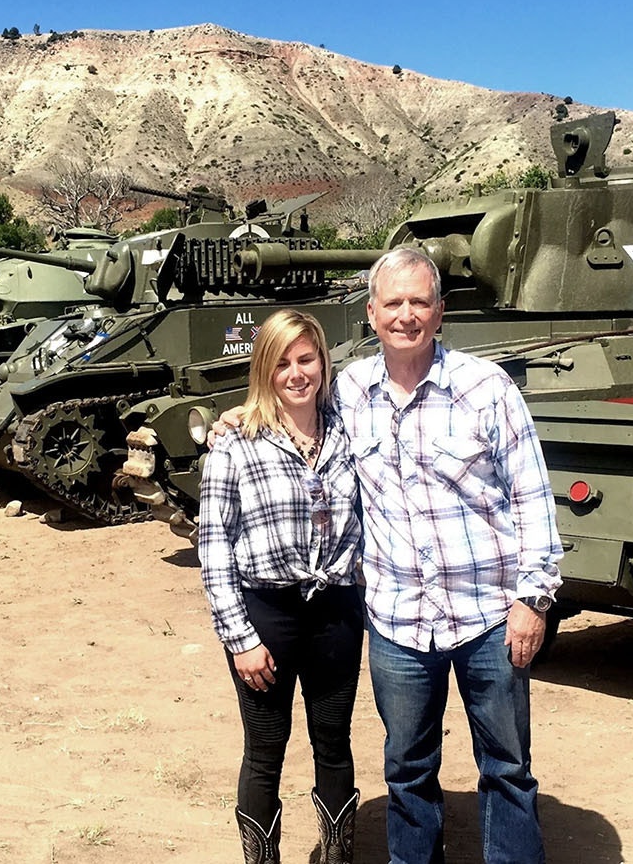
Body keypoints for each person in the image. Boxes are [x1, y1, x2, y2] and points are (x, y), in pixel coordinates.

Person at [215, 248, 564, 863]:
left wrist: (533, 599)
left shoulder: (487, 389)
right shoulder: (351, 392)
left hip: (488, 615)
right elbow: (286, 403)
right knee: (406, 769)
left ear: (440, 311)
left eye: (420, 302)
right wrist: (238, 416)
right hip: (398, 622)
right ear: (371, 313)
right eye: (393, 303)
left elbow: (532, 497)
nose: (407, 315)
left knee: (507, 767)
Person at [199, 309, 366, 864]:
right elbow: (214, 545)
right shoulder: (236, 441)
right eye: (282, 363)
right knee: (266, 749)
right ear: (264, 370)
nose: (297, 374)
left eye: (307, 359)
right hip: (266, 614)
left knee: (333, 740)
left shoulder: (349, 430)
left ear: (323, 363)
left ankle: (337, 856)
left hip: (337, 610)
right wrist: (239, 638)